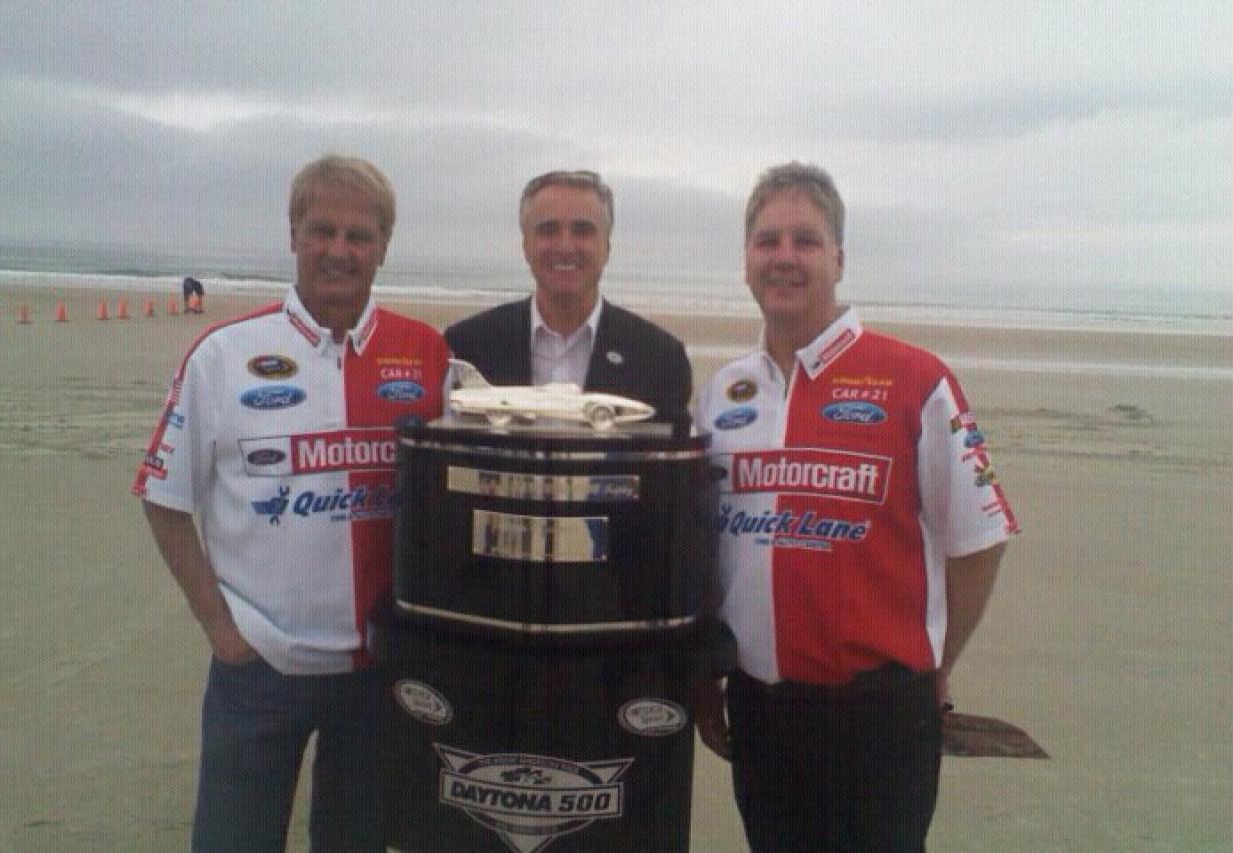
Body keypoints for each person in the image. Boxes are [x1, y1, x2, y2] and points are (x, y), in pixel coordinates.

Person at [693, 162, 1018, 851]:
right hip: (760, 708)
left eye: (806, 240)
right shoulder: (722, 393)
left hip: (880, 714)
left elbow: (980, 537)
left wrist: (938, 665)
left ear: (838, 259)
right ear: (746, 261)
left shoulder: (916, 378)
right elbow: (709, 548)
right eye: (767, 241)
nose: (784, 257)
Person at [133, 155, 449, 852]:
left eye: (359, 235)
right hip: (258, 666)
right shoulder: (223, 355)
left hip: (377, 673)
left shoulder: (428, 354)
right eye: (321, 230)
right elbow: (163, 498)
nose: (339, 250)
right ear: (294, 235)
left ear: (383, 247)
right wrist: (221, 628)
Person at [444, 169, 692, 433]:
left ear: (607, 248)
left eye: (582, 230)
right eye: (548, 230)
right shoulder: (467, 346)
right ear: (526, 246)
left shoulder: (660, 359)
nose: (565, 246)